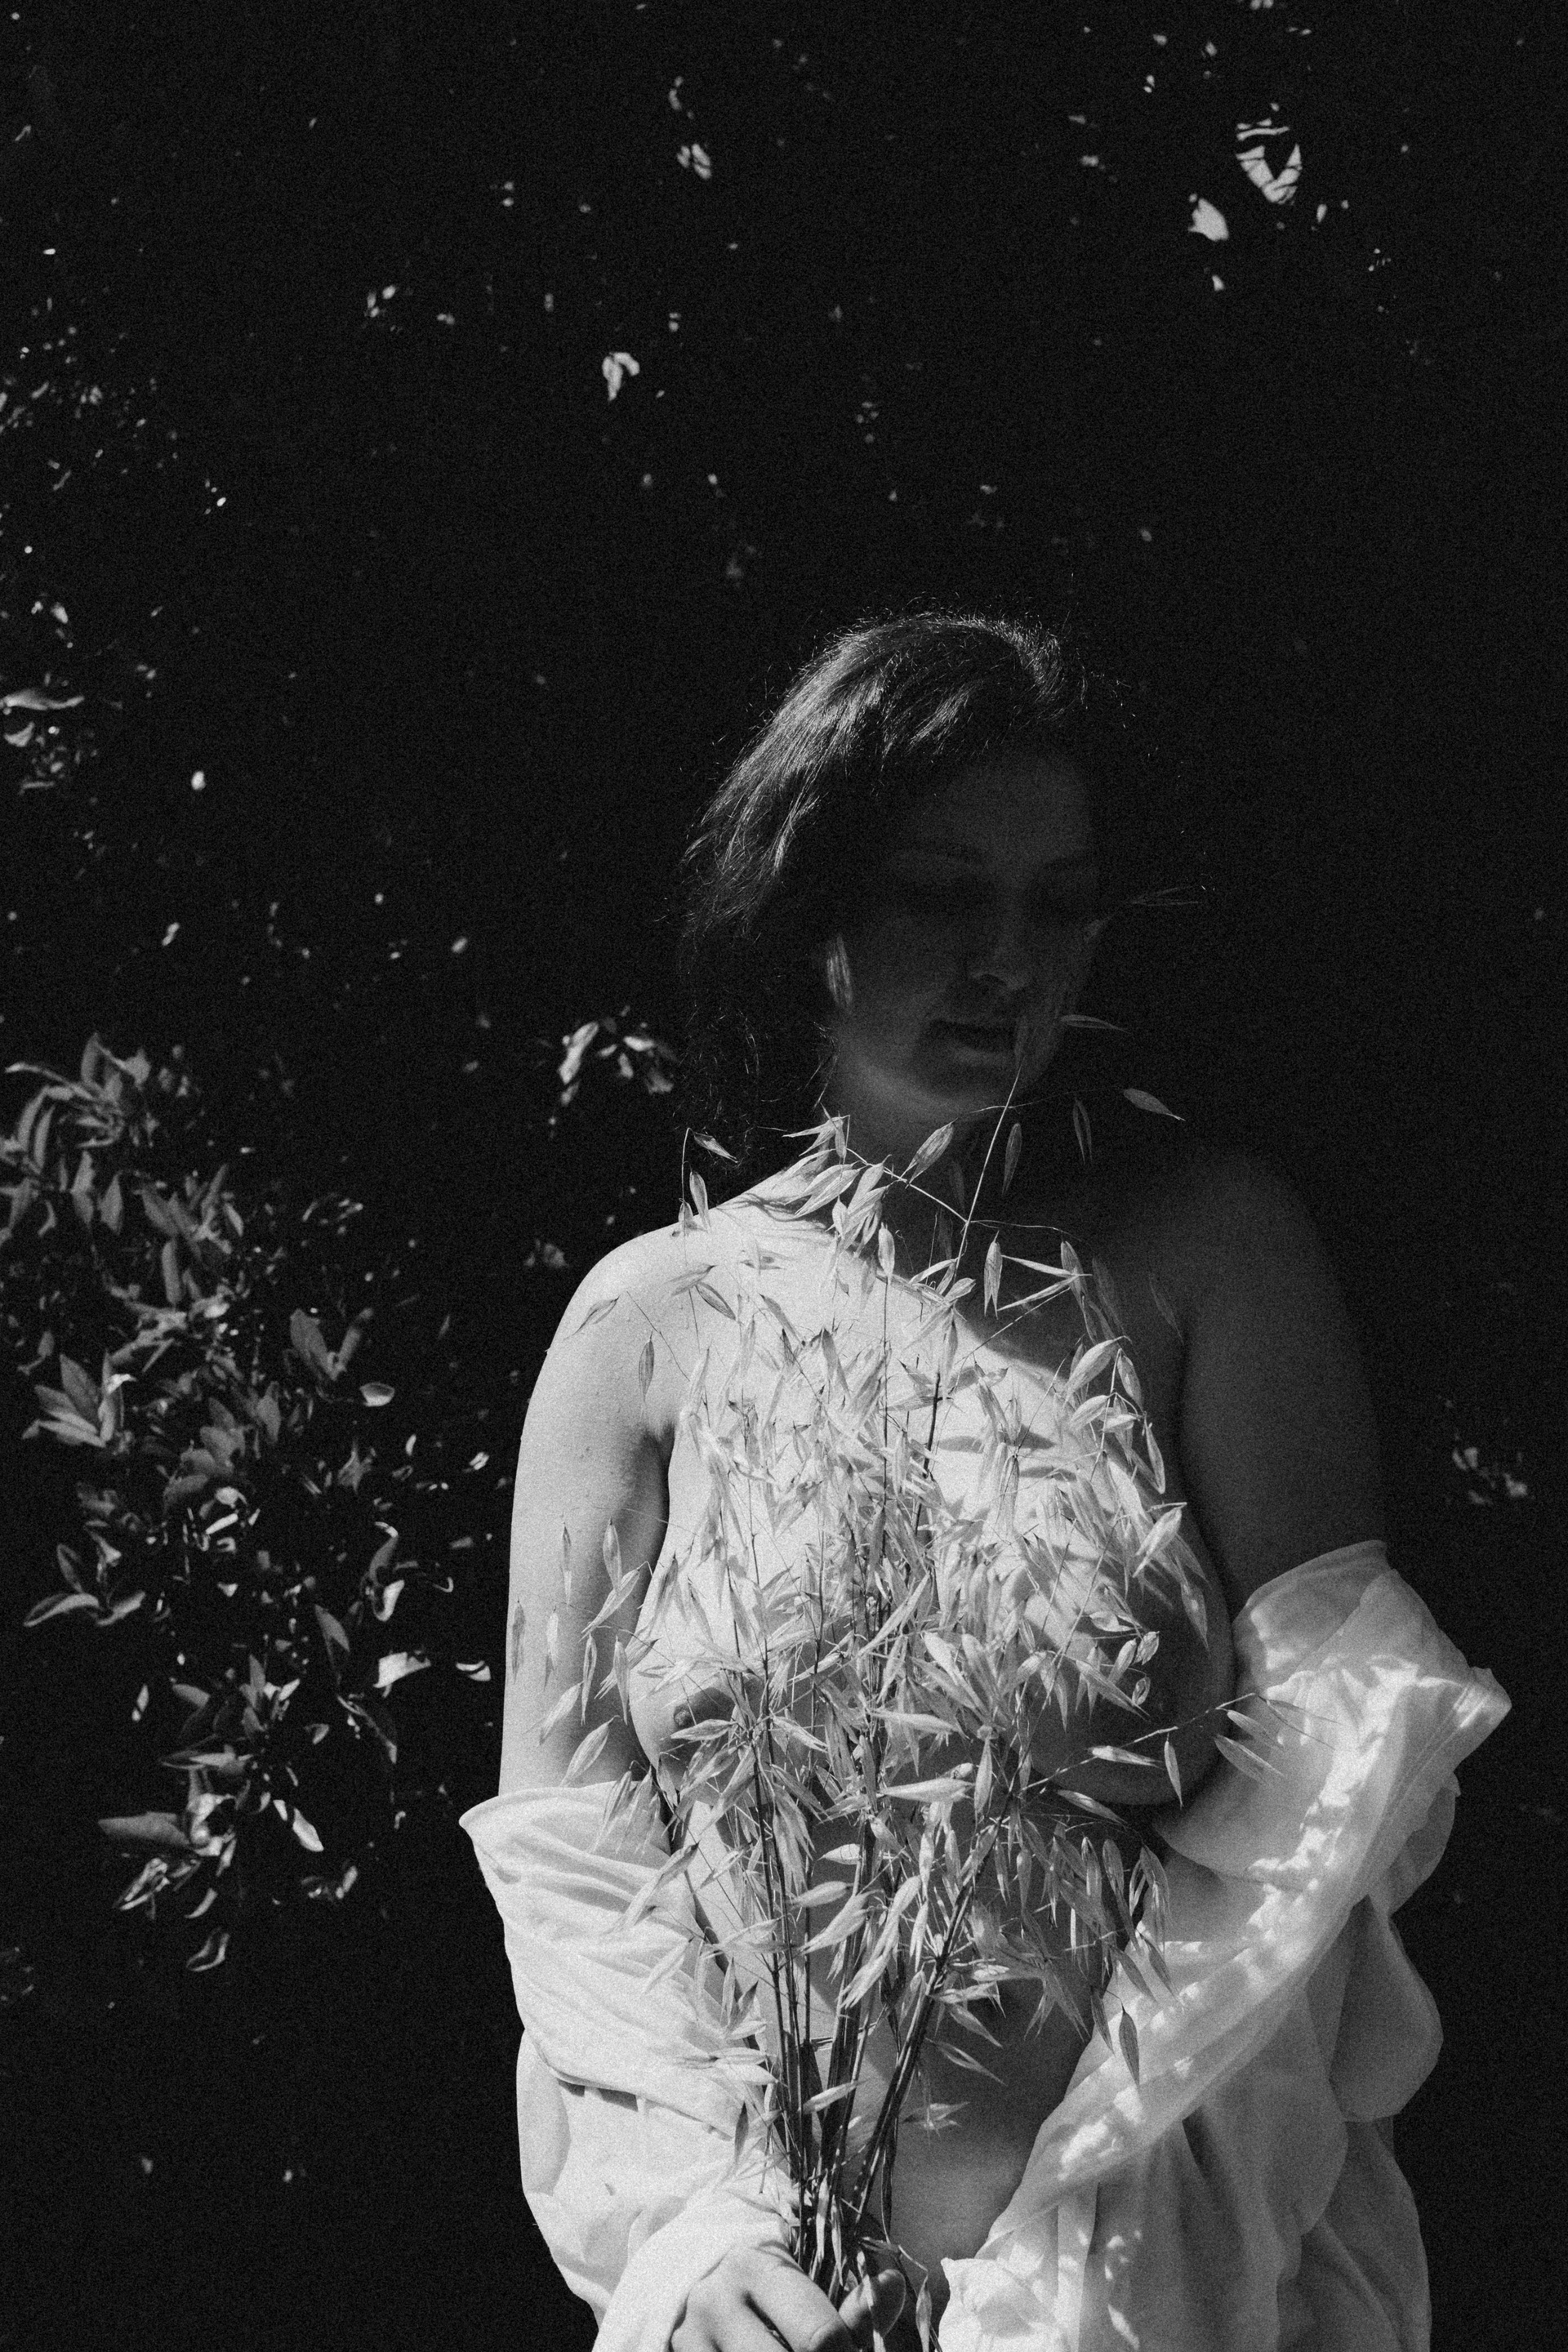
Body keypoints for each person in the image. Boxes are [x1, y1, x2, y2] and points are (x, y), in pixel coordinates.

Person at [462, 610, 1508, 2352]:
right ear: (800, 900)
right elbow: (573, 1857)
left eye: (1059, 903)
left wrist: (1088, 2219)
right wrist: (696, 2237)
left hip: (1155, 2281)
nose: (1009, 961)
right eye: (940, 897)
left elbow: (1344, 1768)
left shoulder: (1204, 1257)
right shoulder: (647, 1327)